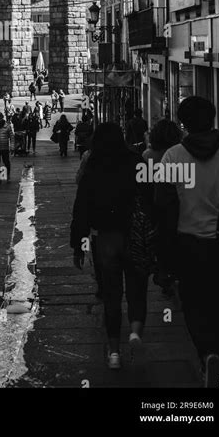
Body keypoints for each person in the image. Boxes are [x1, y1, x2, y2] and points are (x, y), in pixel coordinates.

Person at [157, 96, 219, 388]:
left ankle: (206, 354)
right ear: (214, 118)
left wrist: (163, 257)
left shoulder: (172, 156)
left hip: (186, 244)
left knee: (192, 304)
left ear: (183, 123)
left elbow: (163, 208)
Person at [70, 124, 151, 370]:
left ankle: (114, 352)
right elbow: (150, 197)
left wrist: (78, 244)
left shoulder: (93, 165)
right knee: (137, 288)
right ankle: (136, 331)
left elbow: (81, 207)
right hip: (134, 235)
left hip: (106, 237)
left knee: (111, 295)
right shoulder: (137, 161)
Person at [142, 119, 182, 296]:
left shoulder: (147, 156)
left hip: (153, 207)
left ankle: (164, 271)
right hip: (178, 205)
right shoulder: (182, 154)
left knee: (160, 242)